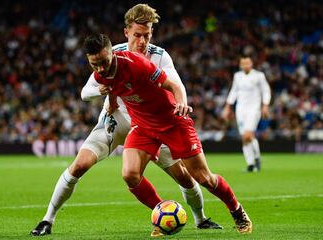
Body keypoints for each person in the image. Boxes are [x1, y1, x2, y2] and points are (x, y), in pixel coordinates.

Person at [30, 4, 221, 237]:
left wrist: (180, 102)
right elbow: (86, 91)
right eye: (138, 35)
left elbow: (175, 84)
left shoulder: (160, 56)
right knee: (79, 165)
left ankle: (200, 219)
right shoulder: (111, 54)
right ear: (126, 32)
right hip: (116, 120)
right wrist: (103, 90)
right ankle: (47, 220)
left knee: (183, 175)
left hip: (150, 125)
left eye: (147, 35)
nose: (143, 41)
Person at [83, 33, 253, 236]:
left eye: (104, 62)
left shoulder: (137, 64)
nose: (101, 68)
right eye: (95, 64)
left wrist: (181, 101)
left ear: (113, 54)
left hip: (172, 122)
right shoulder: (100, 73)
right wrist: (111, 104)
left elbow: (173, 85)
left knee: (204, 178)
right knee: (130, 174)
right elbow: (112, 87)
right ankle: (163, 213)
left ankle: (237, 211)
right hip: (143, 126)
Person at [222, 56, 271, 172]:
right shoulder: (237, 76)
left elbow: (266, 91)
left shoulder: (259, 76)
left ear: (251, 63)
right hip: (240, 109)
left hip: (254, 109)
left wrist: (265, 105)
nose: (246, 65)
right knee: (245, 138)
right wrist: (228, 107)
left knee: (248, 135)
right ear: (240, 65)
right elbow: (234, 91)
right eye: (243, 63)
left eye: (248, 63)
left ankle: (256, 159)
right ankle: (251, 164)